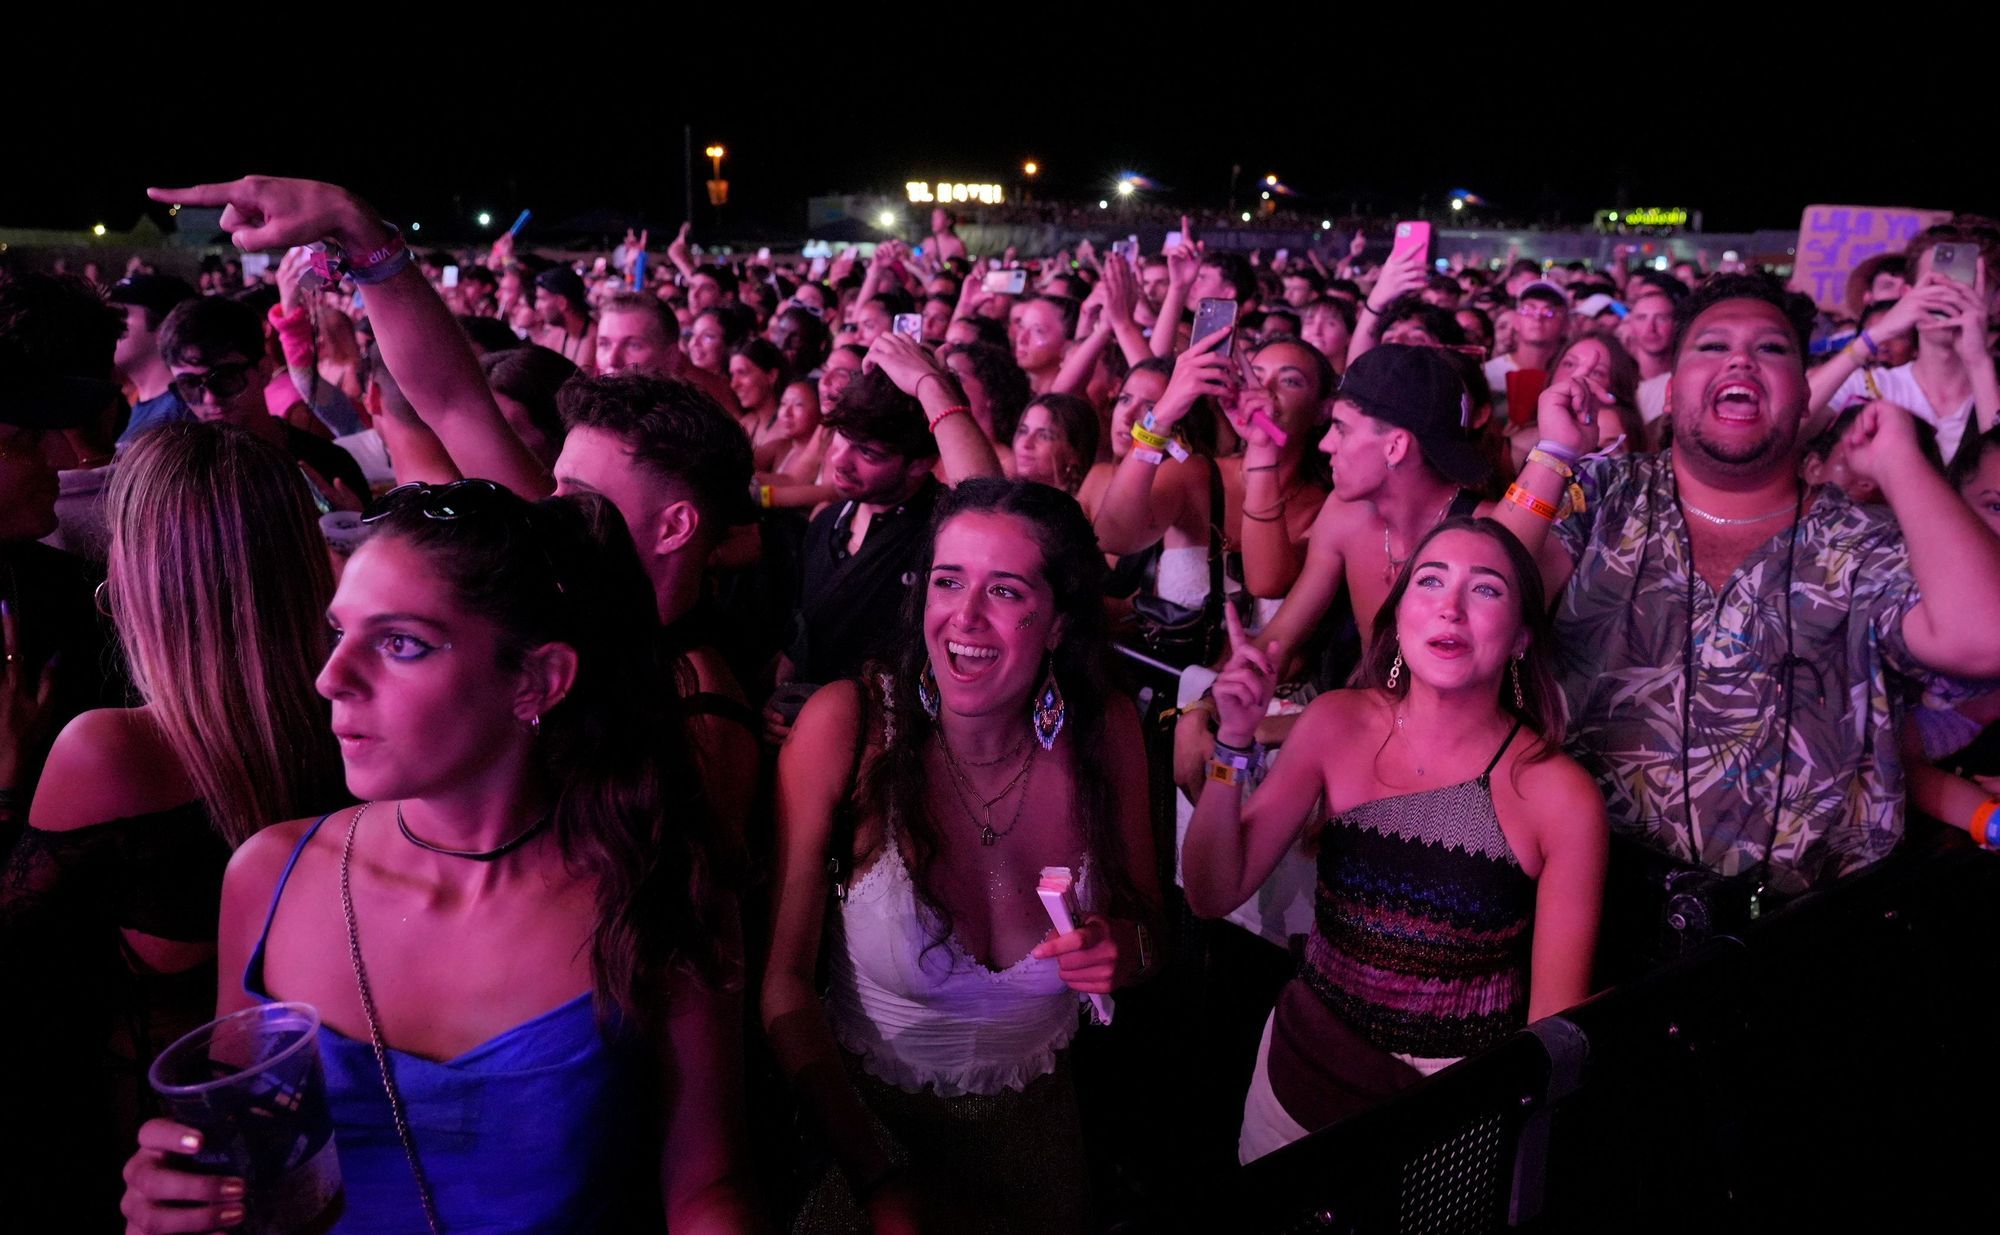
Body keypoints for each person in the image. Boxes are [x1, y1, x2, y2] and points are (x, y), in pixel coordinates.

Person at [119, 481, 758, 1233]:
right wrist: (179, 1198)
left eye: (400, 644)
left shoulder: (650, 880)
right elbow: (247, 1161)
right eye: (339, 633)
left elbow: (705, 1187)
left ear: (536, 679)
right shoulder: (270, 875)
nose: (331, 677)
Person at [1500, 273, 2000, 897]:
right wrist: (1551, 454)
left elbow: (1986, 639)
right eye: (1712, 346)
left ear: (1804, 396)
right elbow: (1485, 594)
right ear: (1673, 389)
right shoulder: (1602, 496)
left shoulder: (1862, 539)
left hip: (1805, 928)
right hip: (1592, 906)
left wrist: (1904, 466)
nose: (1740, 358)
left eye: (1771, 349)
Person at [765, 477, 1159, 1234]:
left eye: (1006, 590)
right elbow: (782, 986)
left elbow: (1150, 933)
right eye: (948, 581)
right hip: (866, 1154)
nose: (964, 617)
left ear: (1055, 622)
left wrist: (1122, 950)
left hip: (1042, 1159)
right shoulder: (849, 727)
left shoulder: (1104, 730)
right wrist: (879, 1177)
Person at [1183, 518, 1605, 1161]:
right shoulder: (1334, 722)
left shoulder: (1559, 796)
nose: (1451, 606)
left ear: (1521, 637)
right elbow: (1212, 894)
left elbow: (1552, 1033)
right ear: (1401, 614)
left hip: (1449, 1117)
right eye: (1429, 581)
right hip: (1294, 1084)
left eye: (1485, 589)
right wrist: (1232, 744)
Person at [4, 424, 344, 1218]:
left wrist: (7, 779)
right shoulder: (357, 732)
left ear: (137, 578)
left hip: (153, 1175)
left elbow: (12, 985)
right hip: (323, 1151)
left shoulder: (112, 751)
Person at [770, 336, 1002, 718]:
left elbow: (987, 506)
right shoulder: (826, 522)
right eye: (841, 439)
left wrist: (927, 382)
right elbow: (800, 641)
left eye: (868, 453)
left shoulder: (942, 531)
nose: (841, 461)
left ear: (919, 463)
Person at [154, 296, 371, 504]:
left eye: (226, 378)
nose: (210, 398)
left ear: (264, 370)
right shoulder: (178, 477)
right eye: (190, 384)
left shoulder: (327, 463)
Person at [108, 273, 199, 446]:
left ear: (166, 327)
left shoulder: (177, 418)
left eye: (118, 315)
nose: (107, 325)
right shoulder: (150, 407)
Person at [1484, 281, 1568, 425]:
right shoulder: (1488, 374)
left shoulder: (1568, 378)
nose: (1538, 317)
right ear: (1516, 320)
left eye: (1549, 312)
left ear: (1566, 323)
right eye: (1528, 309)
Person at [533, 265, 596, 369]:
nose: (537, 306)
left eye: (542, 299)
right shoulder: (555, 335)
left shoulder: (596, 340)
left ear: (562, 303)